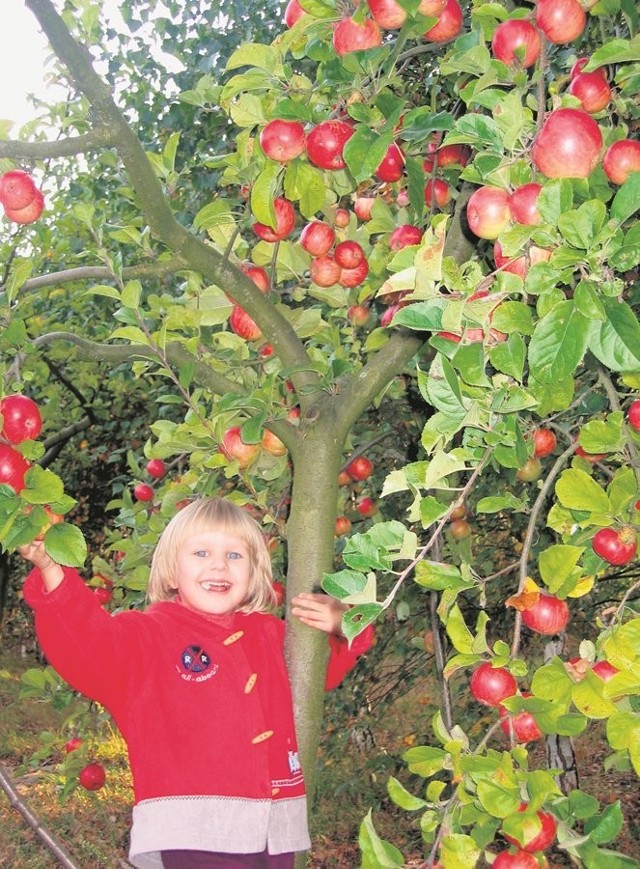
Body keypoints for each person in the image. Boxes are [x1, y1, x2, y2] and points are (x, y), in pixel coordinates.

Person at [19, 497, 373, 869]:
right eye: (201, 553)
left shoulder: (272, 635)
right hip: (196, 830)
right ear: (172, 573)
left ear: (255, 573)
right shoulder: (149, 637)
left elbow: (321, 673)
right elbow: (89, 644)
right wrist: (51, 567)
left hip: (274, 826)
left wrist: (347, 622)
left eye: (235, 556)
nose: (219, 565)